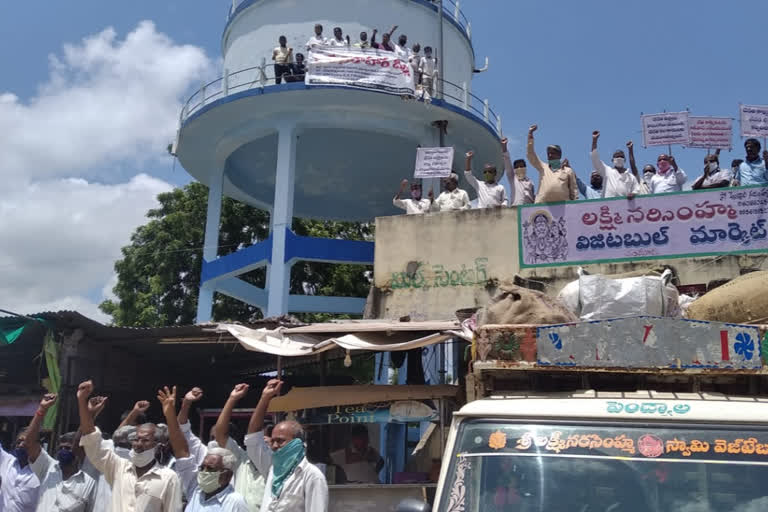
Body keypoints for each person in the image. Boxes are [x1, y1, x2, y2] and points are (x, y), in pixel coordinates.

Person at [77, 380, 183, 512]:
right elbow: (91, 440)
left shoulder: (169, 478)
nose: (138, 444)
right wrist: (82, 400)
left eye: (145, 440)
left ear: (158, 446)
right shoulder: (118, 468)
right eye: (135, 439)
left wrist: (171, 414)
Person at [157, 386, 248, 512]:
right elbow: (181, 448)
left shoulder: (235, 502)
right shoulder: (196, 491)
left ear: (227, 475)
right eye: (202, 467)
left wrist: (232, 399)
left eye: (210, 469)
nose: (203, 472)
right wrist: (175, 411)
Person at [244, 379, 328, 511]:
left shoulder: (312, 475)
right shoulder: (272, 467)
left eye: (280, 441)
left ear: (297, 443)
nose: (275, 445)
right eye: (272, 441)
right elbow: (253, 437)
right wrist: (265, 398)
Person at [27, 393, 97, 512]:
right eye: (61, 448)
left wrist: (89, 413)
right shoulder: (48, 467)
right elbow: (30, 442)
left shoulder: (89, 482)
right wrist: (42, 410)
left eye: (68, 448)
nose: (63, 451)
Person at [212, 384, 268, 510]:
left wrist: (265, 397)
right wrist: (232, 399)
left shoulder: (274, 467)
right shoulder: (241, 460)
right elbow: (220, 433)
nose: (261, 444)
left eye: (265, 440)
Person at [526, 125, 578, 203]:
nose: (550, 155)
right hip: (542, 208)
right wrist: (530, 135)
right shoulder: (542, 167)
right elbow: (530, 155)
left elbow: (574, 191)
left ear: (559, 155)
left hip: (564, 210)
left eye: (553, 153)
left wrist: (576, 206)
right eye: (548, 153)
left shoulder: (568, 170)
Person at [1, 412, 41, 510]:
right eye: (19, 442)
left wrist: (41, 410)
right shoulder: (7, 462)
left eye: (25, 442)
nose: (21, 445)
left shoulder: (40, 471)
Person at [590, 131, 641, 199]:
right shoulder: (607, 171)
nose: (619, 158)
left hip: (625, 207)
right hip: (609, 206)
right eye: (617, 157)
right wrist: (594, 140)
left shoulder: (631, 177)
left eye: (621, 157)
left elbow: (636, 190)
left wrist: (633, 194)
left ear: (625, 160)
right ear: (612, 160)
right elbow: (595, 158)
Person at [501, 137, 535, 205]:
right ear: (514, 169)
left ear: (525, 168)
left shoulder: (530, 182)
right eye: (517, 167)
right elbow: (507, 161)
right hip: (515, 209)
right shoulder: (512, 178)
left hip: (528, 209)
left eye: (521, 166)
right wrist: (504, 147)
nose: (519, 168)